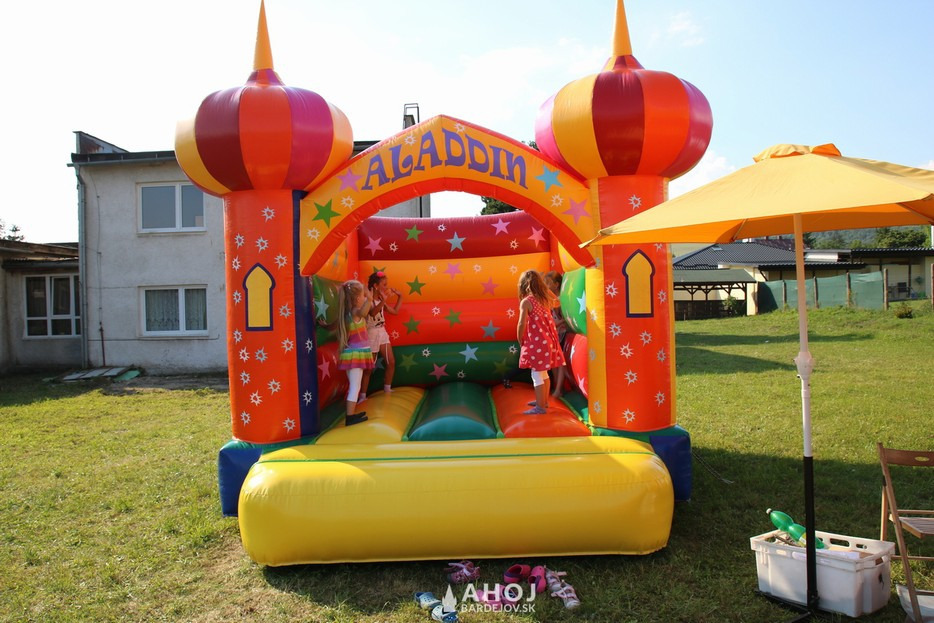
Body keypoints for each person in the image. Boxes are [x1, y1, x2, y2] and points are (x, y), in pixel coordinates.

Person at [516, 270, 566, 414]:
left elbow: (521, 323)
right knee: (544, 374)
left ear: (523, 285)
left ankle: (540, 407)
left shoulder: (526, 302)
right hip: (549, 341)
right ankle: (543, 401)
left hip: (537, 342)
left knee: (537, 374)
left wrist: (520, 338)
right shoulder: (544, 300)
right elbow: (558, 301)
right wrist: (546, 290)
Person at [359, 271, 403, 400]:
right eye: (384, 284)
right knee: (369, 368)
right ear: (375, 286)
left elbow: (395, 311)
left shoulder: (380, 300)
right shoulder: (367, 299)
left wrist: (400, 297)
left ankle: (387, 389)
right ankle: (362, 396)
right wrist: (383, 301)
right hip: (371, 333)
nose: (386, 287)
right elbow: (372, 313)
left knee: (391, 362)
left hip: (382, 331)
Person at [336, 279, 374, 426]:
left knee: (354, 385)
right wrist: (370, 299)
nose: (365, 298)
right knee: (355, 387)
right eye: (363, 296)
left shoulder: (346, 314)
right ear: (358, 298)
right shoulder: (355, 313)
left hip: (351, 354)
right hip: (355, 355)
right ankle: (350, 417)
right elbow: (364, 312)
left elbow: (332, 325)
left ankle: (351, 413)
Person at [543, 270, 569, 399]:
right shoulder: (552, 300)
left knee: (560, 362)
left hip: (560, 333)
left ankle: (559, 389)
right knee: (553, 361)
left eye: (548, 283)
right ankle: (556, 386)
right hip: (554, 334)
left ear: (556, 284)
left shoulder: (559, 301)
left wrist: (555, 324)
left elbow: (561, 319)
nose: (546, 286)